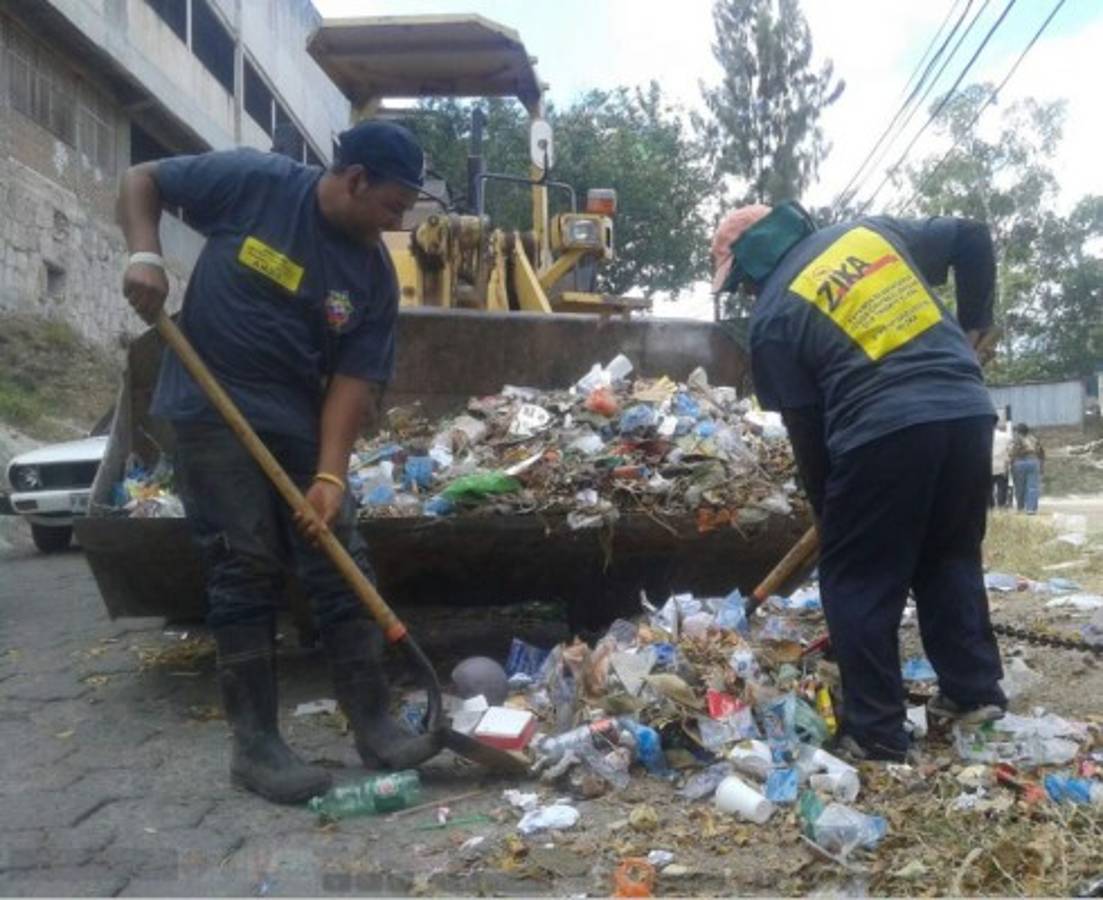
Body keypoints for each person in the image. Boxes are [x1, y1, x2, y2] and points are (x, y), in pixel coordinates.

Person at [117, 121, 425, 803]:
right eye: (392, 206)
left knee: (340, 558)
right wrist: (144, 255)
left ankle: (375, 724)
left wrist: (330, 476)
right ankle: (255, 748)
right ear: (356, 179)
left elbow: (353, 380)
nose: (396, 223)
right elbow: (143, 179)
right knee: (244, 561)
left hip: (297, 420)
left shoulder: (373, 276)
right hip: (209, 407)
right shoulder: (254, 182)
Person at [712, 202, 1006, 762]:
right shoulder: (872, 234)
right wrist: (973, 329)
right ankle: (974, 696)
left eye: (743, 280)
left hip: (881, 429)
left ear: (752, 266)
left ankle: (876, 732)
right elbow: (972, 236)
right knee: (949, 556)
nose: (747, 292)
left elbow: (809, 438)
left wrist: (834, 521)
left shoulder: (772, 319)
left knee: (857, 579)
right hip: (968, 412)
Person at [1009, 422, 1045, 514]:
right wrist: (1041, 466)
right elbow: (1041, 453)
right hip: (1033, 462)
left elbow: (1012, 453)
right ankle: (1031, 509)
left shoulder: (1016, 440)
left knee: (1020, 486)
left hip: (1020, 463)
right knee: (1032, 486)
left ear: (1018, 432)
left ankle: (1021, 507)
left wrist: (1011, 464)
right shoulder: (1034, 439)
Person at [991, 418, 1012, 508]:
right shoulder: (1006, 436)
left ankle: (990, 506)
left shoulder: (983, 436)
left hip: (988, 465)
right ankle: (1001, 505)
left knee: (989, 487)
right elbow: (1010, 451)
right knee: (1002, 487)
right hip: (1002, 465)